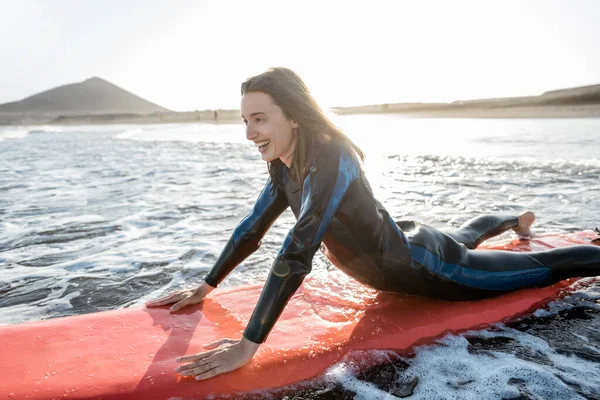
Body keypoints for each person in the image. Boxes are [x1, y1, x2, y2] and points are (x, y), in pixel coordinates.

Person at [146, 67, 600, 381]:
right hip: (404, 239)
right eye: (245, 120)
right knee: (461, 236)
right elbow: (252, 228)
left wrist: (249, 344)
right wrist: (206, 286)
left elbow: (297, 249)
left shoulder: (331, 157)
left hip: (428, 266)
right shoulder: (286, 168)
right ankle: (515, 219)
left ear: (295, 117)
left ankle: (526, 228)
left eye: (260, 119)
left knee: (547, 265)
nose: (249, 133)